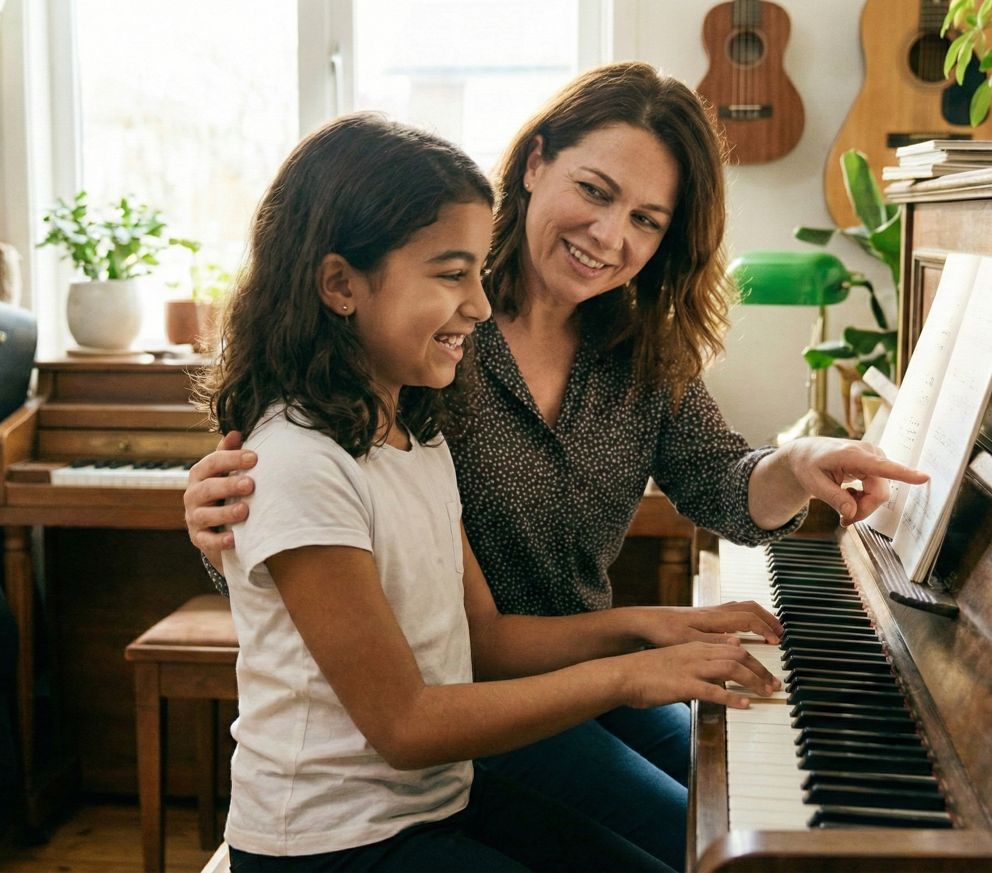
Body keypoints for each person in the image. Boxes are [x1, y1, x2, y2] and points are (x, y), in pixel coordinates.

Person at [187, 65, 927, 870]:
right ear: (535, 164)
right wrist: (216, 521)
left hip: (568, 661)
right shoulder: (427, 347)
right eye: (596, 191)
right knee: (710, 841)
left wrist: (799, 461)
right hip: (472, 714)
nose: (611, 236)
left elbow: (721, 478)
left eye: (646, 219)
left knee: (749, 805)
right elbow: (305, 539)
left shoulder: (627, 351)